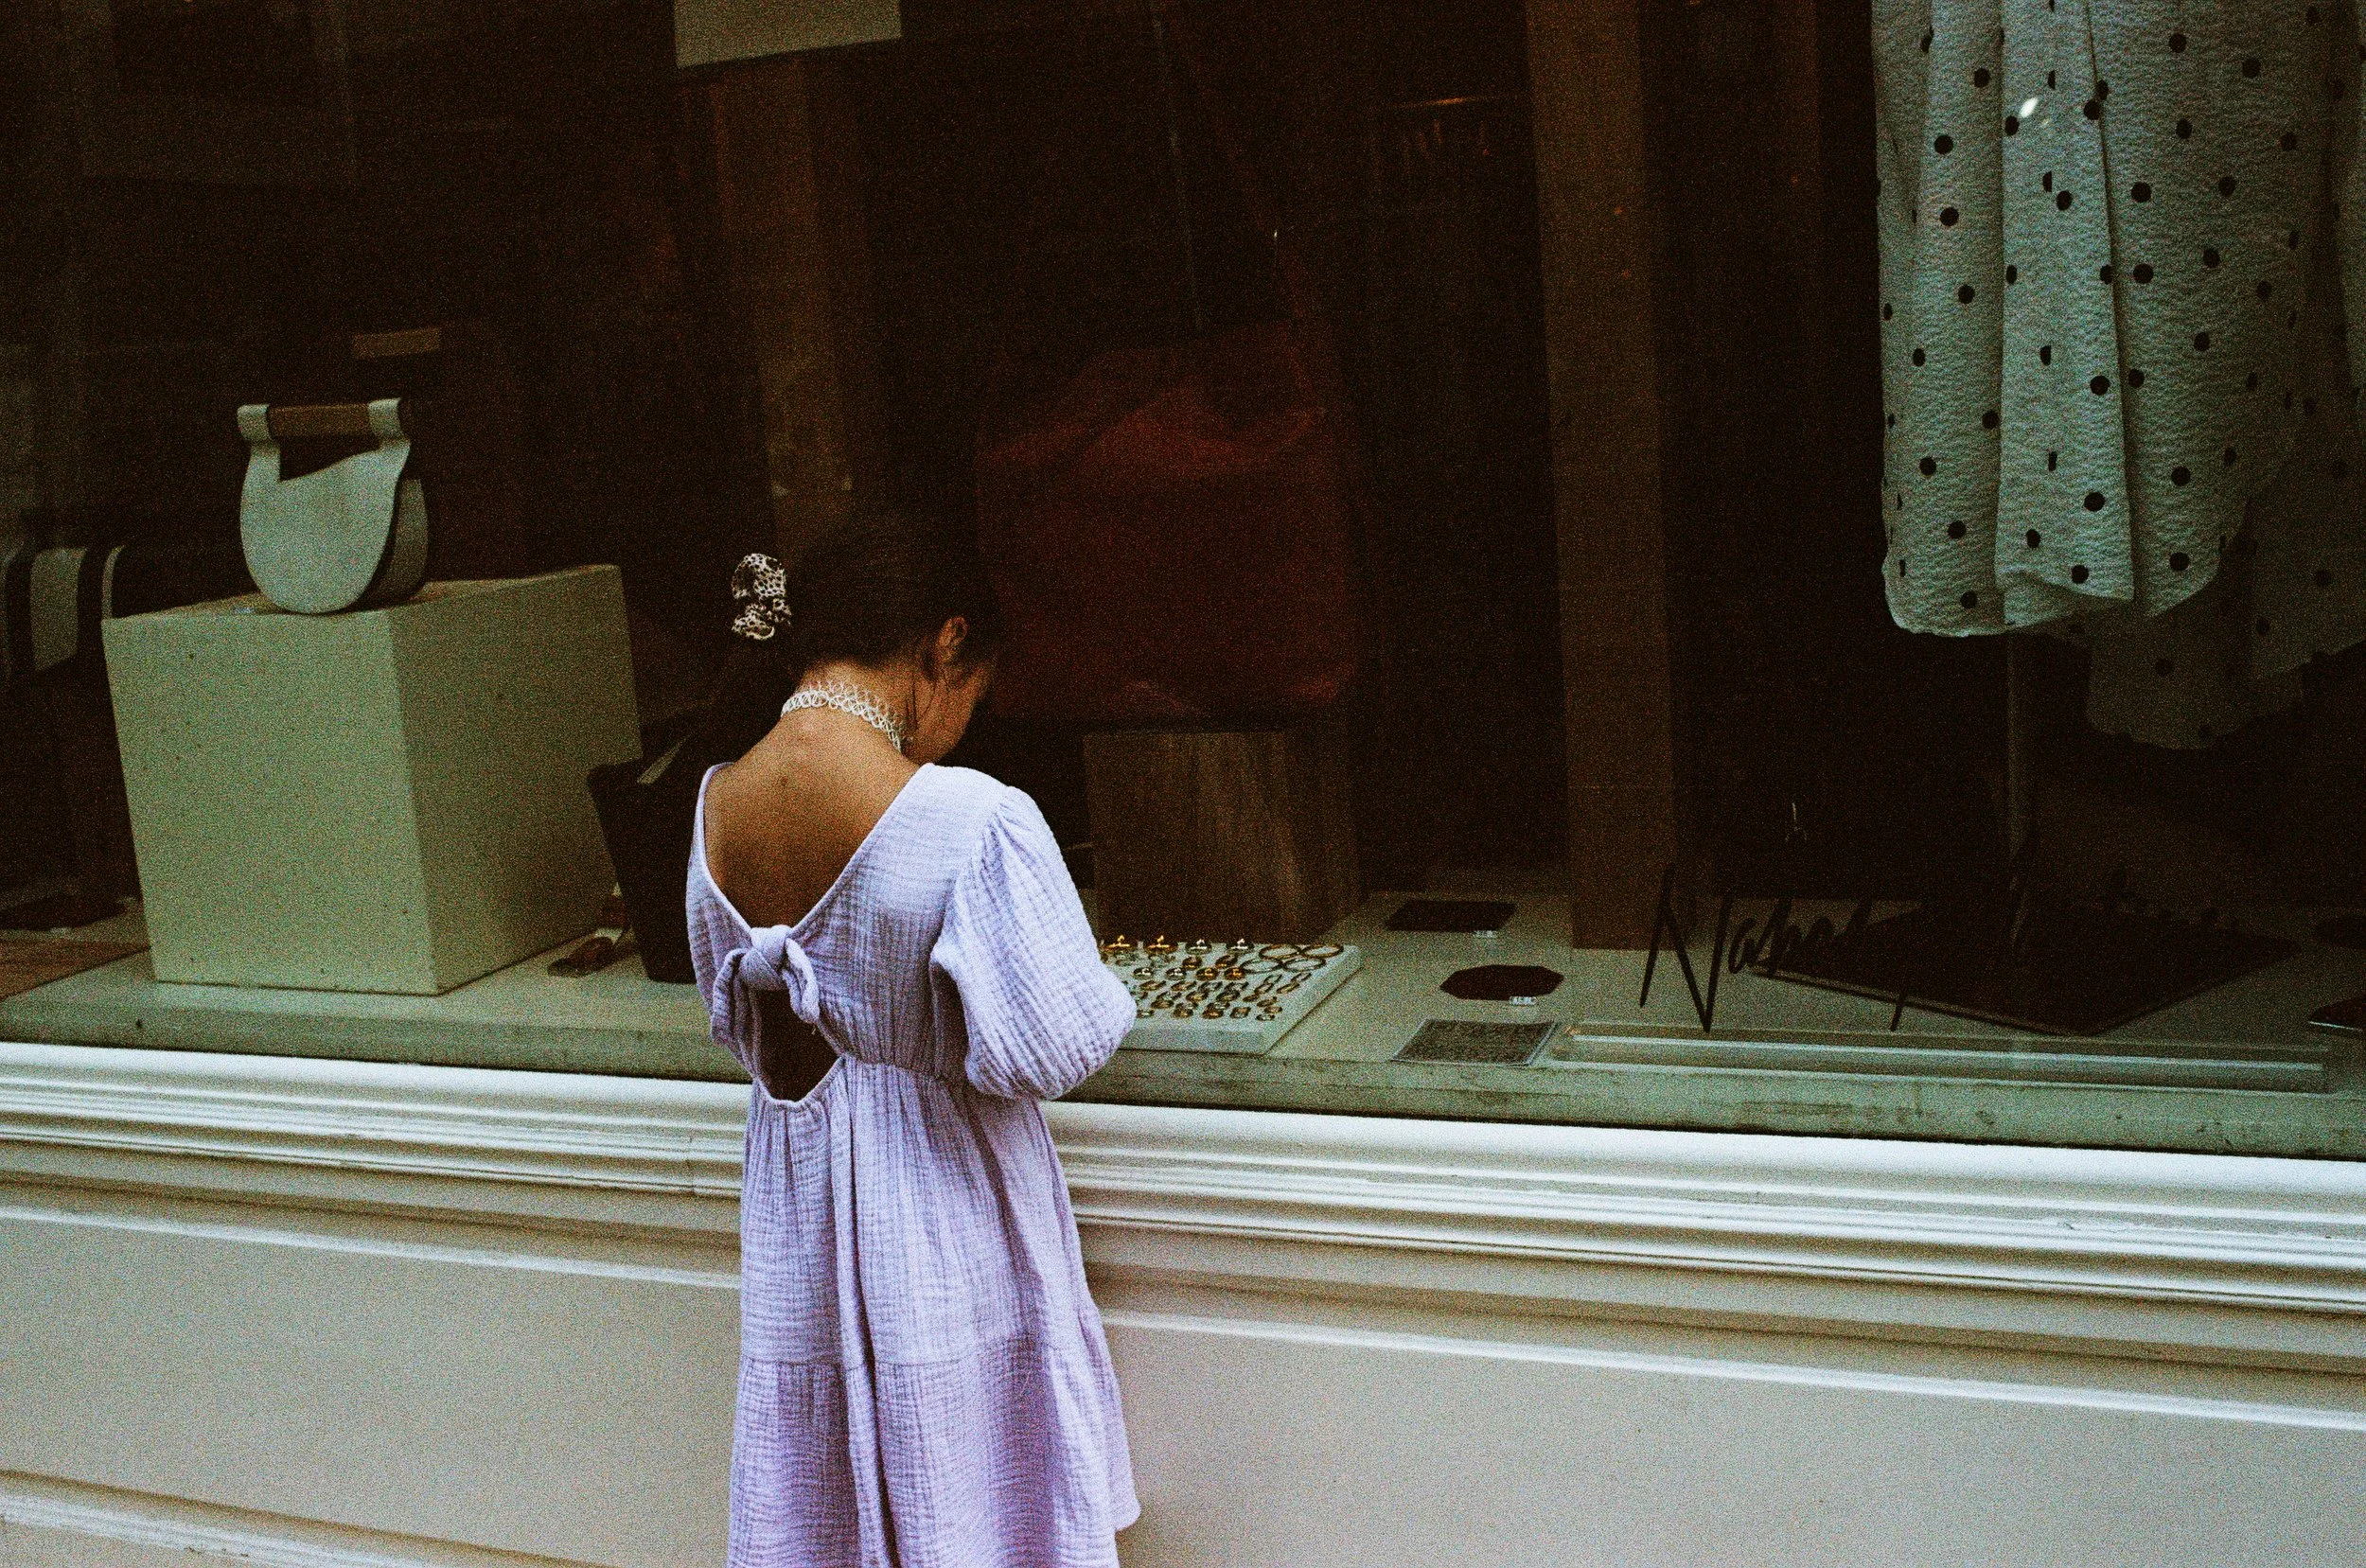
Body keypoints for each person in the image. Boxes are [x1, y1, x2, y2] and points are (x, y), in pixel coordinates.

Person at [688, 513, 1139, 1568]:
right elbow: (1054, 1043)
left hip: (801, 1209)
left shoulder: (716, 802)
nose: (964, 723)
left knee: (838, 1503)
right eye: (974, 691)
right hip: (941, 1200)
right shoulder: (967, 819)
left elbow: (736, 1018)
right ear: (944, 645)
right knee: (970, 1498)